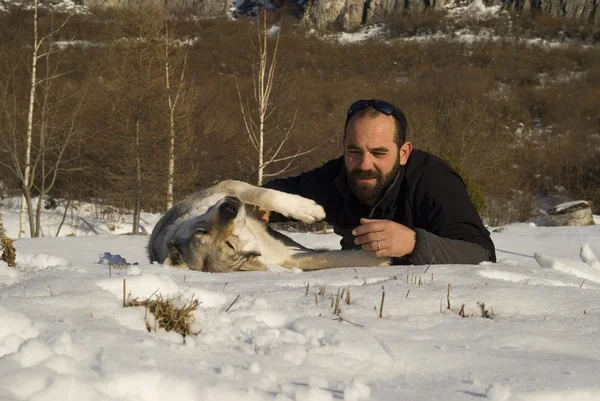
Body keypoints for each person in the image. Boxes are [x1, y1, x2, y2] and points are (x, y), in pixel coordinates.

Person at [263, 99, 496, 265]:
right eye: (354, 151)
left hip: (427, 310)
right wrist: (258, 207)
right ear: (343, 146)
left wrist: (413, 244)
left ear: (404, 153)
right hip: (356, 298)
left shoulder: (433, 180)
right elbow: (276, 197)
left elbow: (482, 254)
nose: (365, 164)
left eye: (379, 153)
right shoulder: (334, 177)